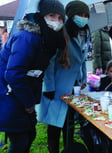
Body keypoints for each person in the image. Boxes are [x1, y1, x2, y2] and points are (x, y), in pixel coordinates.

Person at [0, 0, 66, 152]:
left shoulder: (46, 40)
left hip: (20, 96)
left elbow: (36, 74)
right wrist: (29, 103)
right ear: (41, 16)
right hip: (9, 94)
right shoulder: (27, 38)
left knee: (29, 135)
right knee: (20, 141)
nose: (57, 21)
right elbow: (14, 74)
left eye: (60, 17)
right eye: (51, 15)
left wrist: (31, 102)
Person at [37, 1, 91, 153]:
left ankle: (69, 149)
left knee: (69, 123)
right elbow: (50, 63)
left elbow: (83, 60)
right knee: (54, 124)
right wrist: (48, 87)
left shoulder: (85, 33)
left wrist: (83, 80)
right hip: (58, 86)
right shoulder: (61, 32)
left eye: (86, 15)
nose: (83, 18)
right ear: (71, 16)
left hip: (74, 87)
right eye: (80, 14)